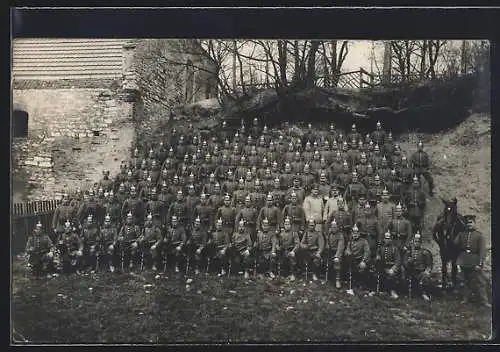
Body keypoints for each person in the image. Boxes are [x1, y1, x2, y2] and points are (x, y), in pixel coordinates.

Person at [453, 215, 490, 307]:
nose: (469, 225)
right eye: (467, 223)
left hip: (474, 260)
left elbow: (482, 251)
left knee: (480, 281)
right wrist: (458, 232)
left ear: (475, 223)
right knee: (464, 280)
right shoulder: (462, 234)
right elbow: (454, 243)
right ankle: (466, 298)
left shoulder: (479, 235)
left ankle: (484, 301)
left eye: (471, 223)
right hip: (463, 260)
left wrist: (480, 263)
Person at [402, 232, 433, 301]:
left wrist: (427, 271)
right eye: (415, 241)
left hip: (421, 272)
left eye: (418, 242)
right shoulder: (409, 252)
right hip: (412, 272)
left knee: (426, 277)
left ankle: (424, 293)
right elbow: (404, 263)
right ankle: (407, 292)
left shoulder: (425, 252)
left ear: (420, 243)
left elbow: (429, 265)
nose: (417, 243)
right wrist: (408, 263)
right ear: (413, 242)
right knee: (405, 275)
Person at [344, 224, 370, 295]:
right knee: (350, 271)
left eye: (356, 233)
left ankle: (362, 286)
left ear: (359, 233)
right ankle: (351, 286)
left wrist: (363, 261)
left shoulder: (364, 241)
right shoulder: (350, 242)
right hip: (352, 261)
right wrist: (348, 252)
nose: (355, 235)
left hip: (360, 260)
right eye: (353, 233)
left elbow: (367, 252)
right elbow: (347, 249)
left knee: (362, 270)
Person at [375, 231, 402, 299]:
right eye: (386, 238)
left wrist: (393, 269)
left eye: (388, 239)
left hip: (391, 268)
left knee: (391, 276)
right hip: (383, 268)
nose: (387, 240)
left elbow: (398, 261)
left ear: (391, 239)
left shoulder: (394, 248)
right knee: (376, 275)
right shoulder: (381, 248)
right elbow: (378, 260)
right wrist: (377, 258)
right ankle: (381, 291)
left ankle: (392, 291)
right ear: (384, 239)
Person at [277, 217, 301, 281]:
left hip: (291, 251)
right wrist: (278, 247)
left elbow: (297, 244)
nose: (287, 226)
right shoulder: (281, 234)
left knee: (292, 257)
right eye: (285, 224)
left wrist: (293, 251)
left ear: (291, 225)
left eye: (288, 224)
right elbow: (279, 244)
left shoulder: (294, 233)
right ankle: (284, 274)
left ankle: (293, 274)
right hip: (284, 251)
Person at [325, 218, 345, 288]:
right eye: (332, 227)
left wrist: (337, 256)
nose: (334, 228)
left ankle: (337, 280)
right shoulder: (329, 233)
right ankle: (327, 278)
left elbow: (340, 246)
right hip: (330, 252)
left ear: (337, 228)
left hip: (337, 252)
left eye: (335, 227)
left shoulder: (340, 235)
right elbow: (327, 241)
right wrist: (327, 245)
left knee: (337, 263)